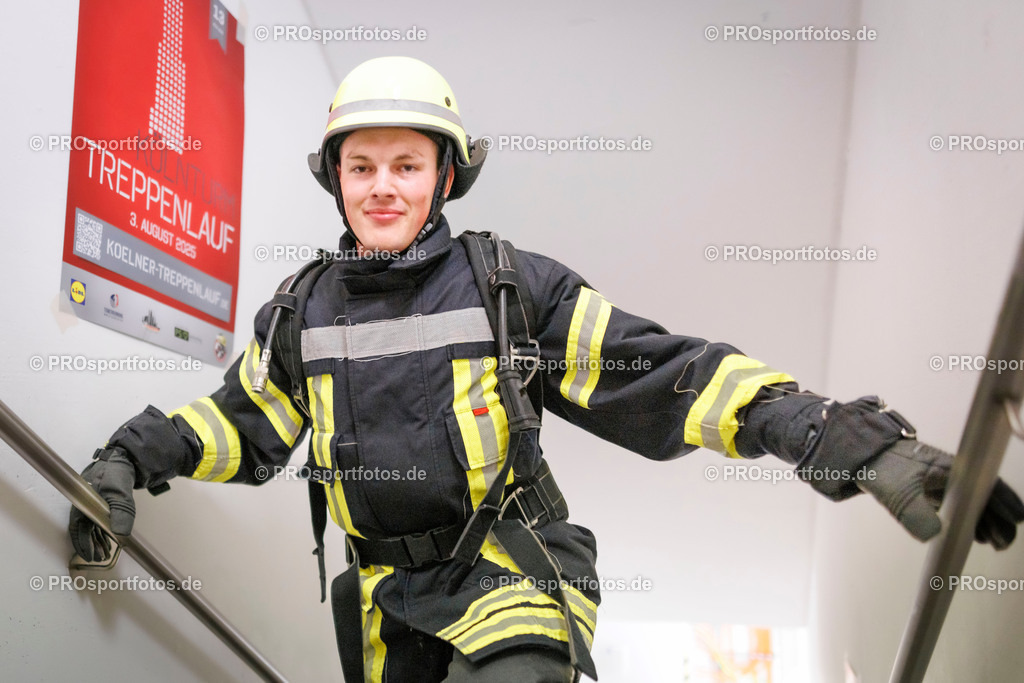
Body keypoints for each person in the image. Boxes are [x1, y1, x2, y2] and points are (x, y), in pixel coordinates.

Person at [68, 56, 1024, 683]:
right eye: (363, 167)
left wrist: (835, 436)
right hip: (380, 609)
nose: (384, 186)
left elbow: (673, 375)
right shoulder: (300, 311)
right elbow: (237, 422)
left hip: (510, 576)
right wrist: (122, 459)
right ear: (338, 180)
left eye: (407, 163)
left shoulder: (506, 287)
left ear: (444, 175)